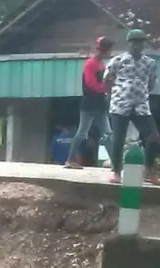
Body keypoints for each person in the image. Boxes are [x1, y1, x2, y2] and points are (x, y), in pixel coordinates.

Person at [104, 29, 160, 185]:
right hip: (120, 104)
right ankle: (116, 172)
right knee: (118, 139)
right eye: (135, 41)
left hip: (141, 106)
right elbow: (107, 80)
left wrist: (140, 93)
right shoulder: (118, 60)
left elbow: (151, 83)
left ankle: (148, 171)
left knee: (154, 137)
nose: (138, 45)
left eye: (141, 41)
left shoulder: (150, 63)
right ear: (129, 43)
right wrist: (113, 95)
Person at [64, 37, 114, 169]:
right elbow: (91, 84)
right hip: (89, 104)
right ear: (105, 50)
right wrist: (106, 88)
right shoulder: (90, 64)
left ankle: (115, 162)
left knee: (108, 133)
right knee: (82, 132)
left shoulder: (102, 65)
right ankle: (70, 160)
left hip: (100, 104)